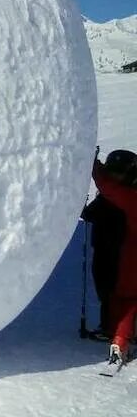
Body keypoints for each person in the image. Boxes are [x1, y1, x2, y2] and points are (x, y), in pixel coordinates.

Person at [91, 150, 137, 364]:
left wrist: (95, 168)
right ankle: (117, 335)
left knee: (126, 298)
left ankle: (120, 339)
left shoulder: (131, 196)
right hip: (125, 254)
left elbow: (111, 189)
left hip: (130, 258)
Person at [81, 193, 126, 339]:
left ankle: (108, 326)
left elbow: (87, 214)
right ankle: (116, 326)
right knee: (112, 287)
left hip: (104, 250)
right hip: (119, 248)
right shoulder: (122, 196)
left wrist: (82, 201)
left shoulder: (105, 199)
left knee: (105, 288)